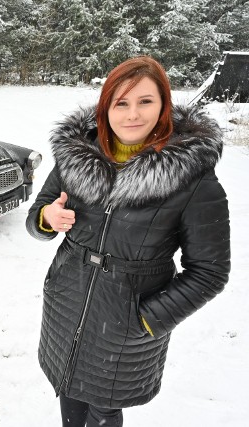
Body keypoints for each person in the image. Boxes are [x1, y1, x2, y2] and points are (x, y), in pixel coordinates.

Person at [25, 56, 230, 427]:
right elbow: (39, 210)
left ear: (163, 105)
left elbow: (210, 271)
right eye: (121, 103)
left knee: (105, 406)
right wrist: (46, 218)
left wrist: (148, 320)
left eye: (145, 101)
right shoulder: (77, 155)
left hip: (128, 322)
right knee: (68, 388)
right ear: (106, 109)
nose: (132, 115)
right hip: (66, 303)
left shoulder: (193, 178)